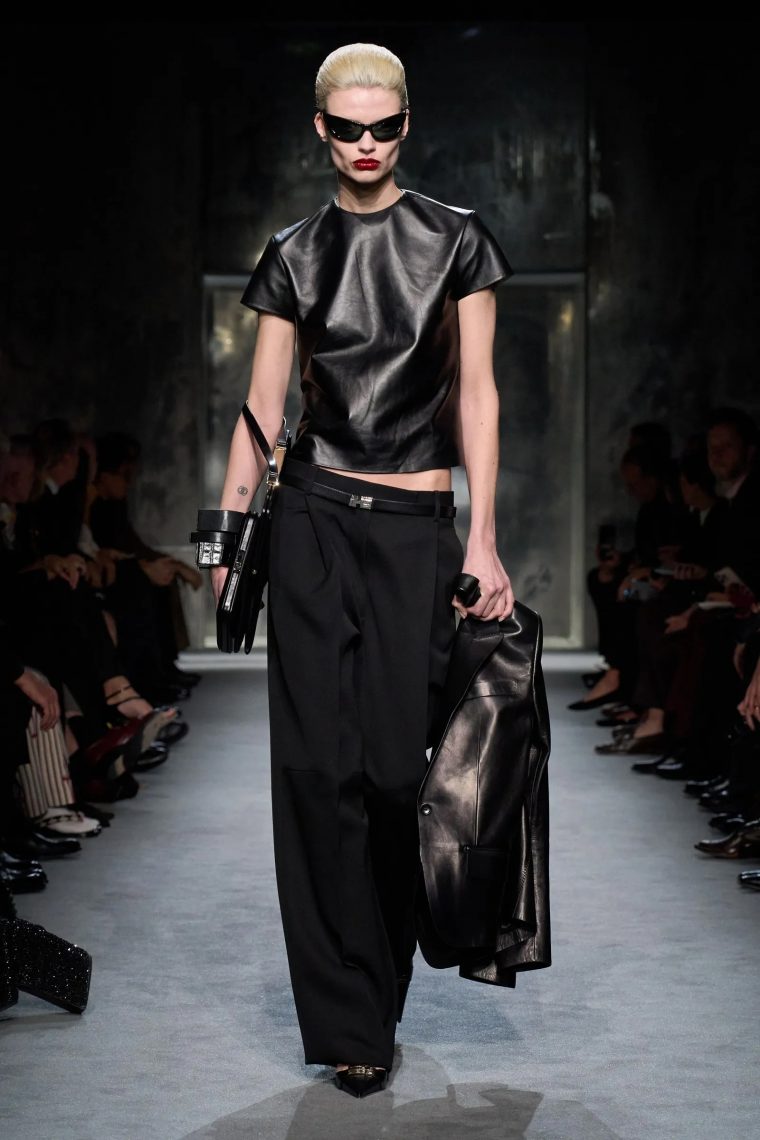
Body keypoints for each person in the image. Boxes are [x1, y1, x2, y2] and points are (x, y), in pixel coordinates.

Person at [210, 42, 514, 1098]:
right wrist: (224, 542)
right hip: (313, 521)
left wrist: (484, 536)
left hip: (417, 526)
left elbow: (477, 395)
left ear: (407, 123)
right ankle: (350, 1019)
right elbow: (260, 410)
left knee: (392, 774)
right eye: (349, 128)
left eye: (384, 126)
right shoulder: (293, 254)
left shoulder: (458, 240)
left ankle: (378, 978)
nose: (368, 143)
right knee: (314, 773)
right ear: (321, 131)